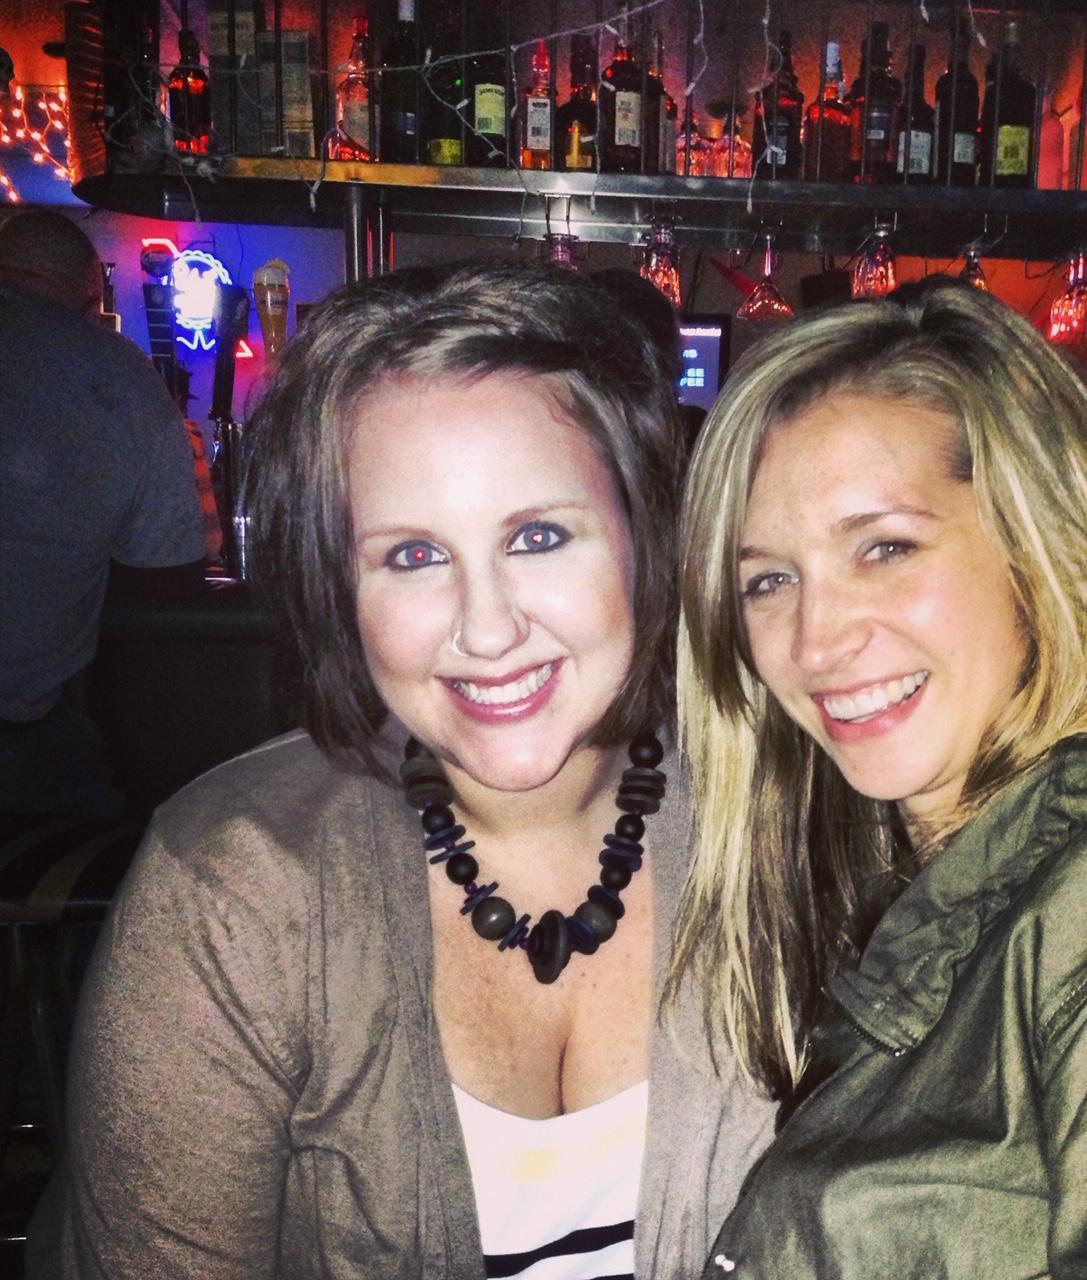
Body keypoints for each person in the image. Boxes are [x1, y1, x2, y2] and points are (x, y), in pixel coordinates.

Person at [54, 261, 774, 1277]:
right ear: (337, 585)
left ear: (645, 531)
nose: (488, 629)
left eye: (538, 535)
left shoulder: (781, 815)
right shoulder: (232, 889)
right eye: (411, 556)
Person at [671, 278, 1087, 1278]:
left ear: (1038, 545)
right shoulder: (874, 882)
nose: (814, 642)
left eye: (884, 547)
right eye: (767, 579)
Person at [0, 210, 206, 818]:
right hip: (21, 731)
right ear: (92, 297)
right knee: (137, 831)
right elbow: (171, 576)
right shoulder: (116, 375)